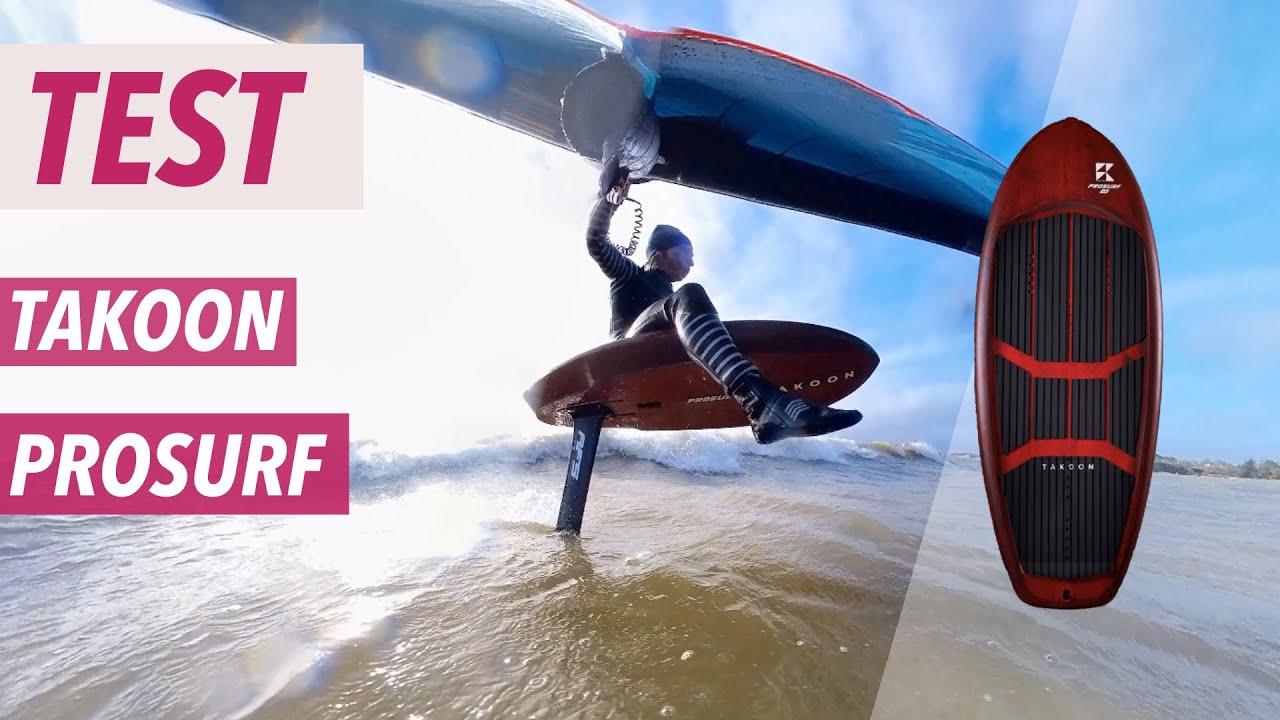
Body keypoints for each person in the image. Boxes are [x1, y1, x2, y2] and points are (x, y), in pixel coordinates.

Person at [584, 163, 863, 445]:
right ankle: (760, 401)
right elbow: (596, 242)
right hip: (625, 354)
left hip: (660, 355)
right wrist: (609, 204)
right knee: (690, 295)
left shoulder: (673, 300)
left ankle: (767, 409)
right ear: (663, 252)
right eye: (687, 253)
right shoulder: (629, 273)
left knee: (694, 311)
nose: (692, 262)